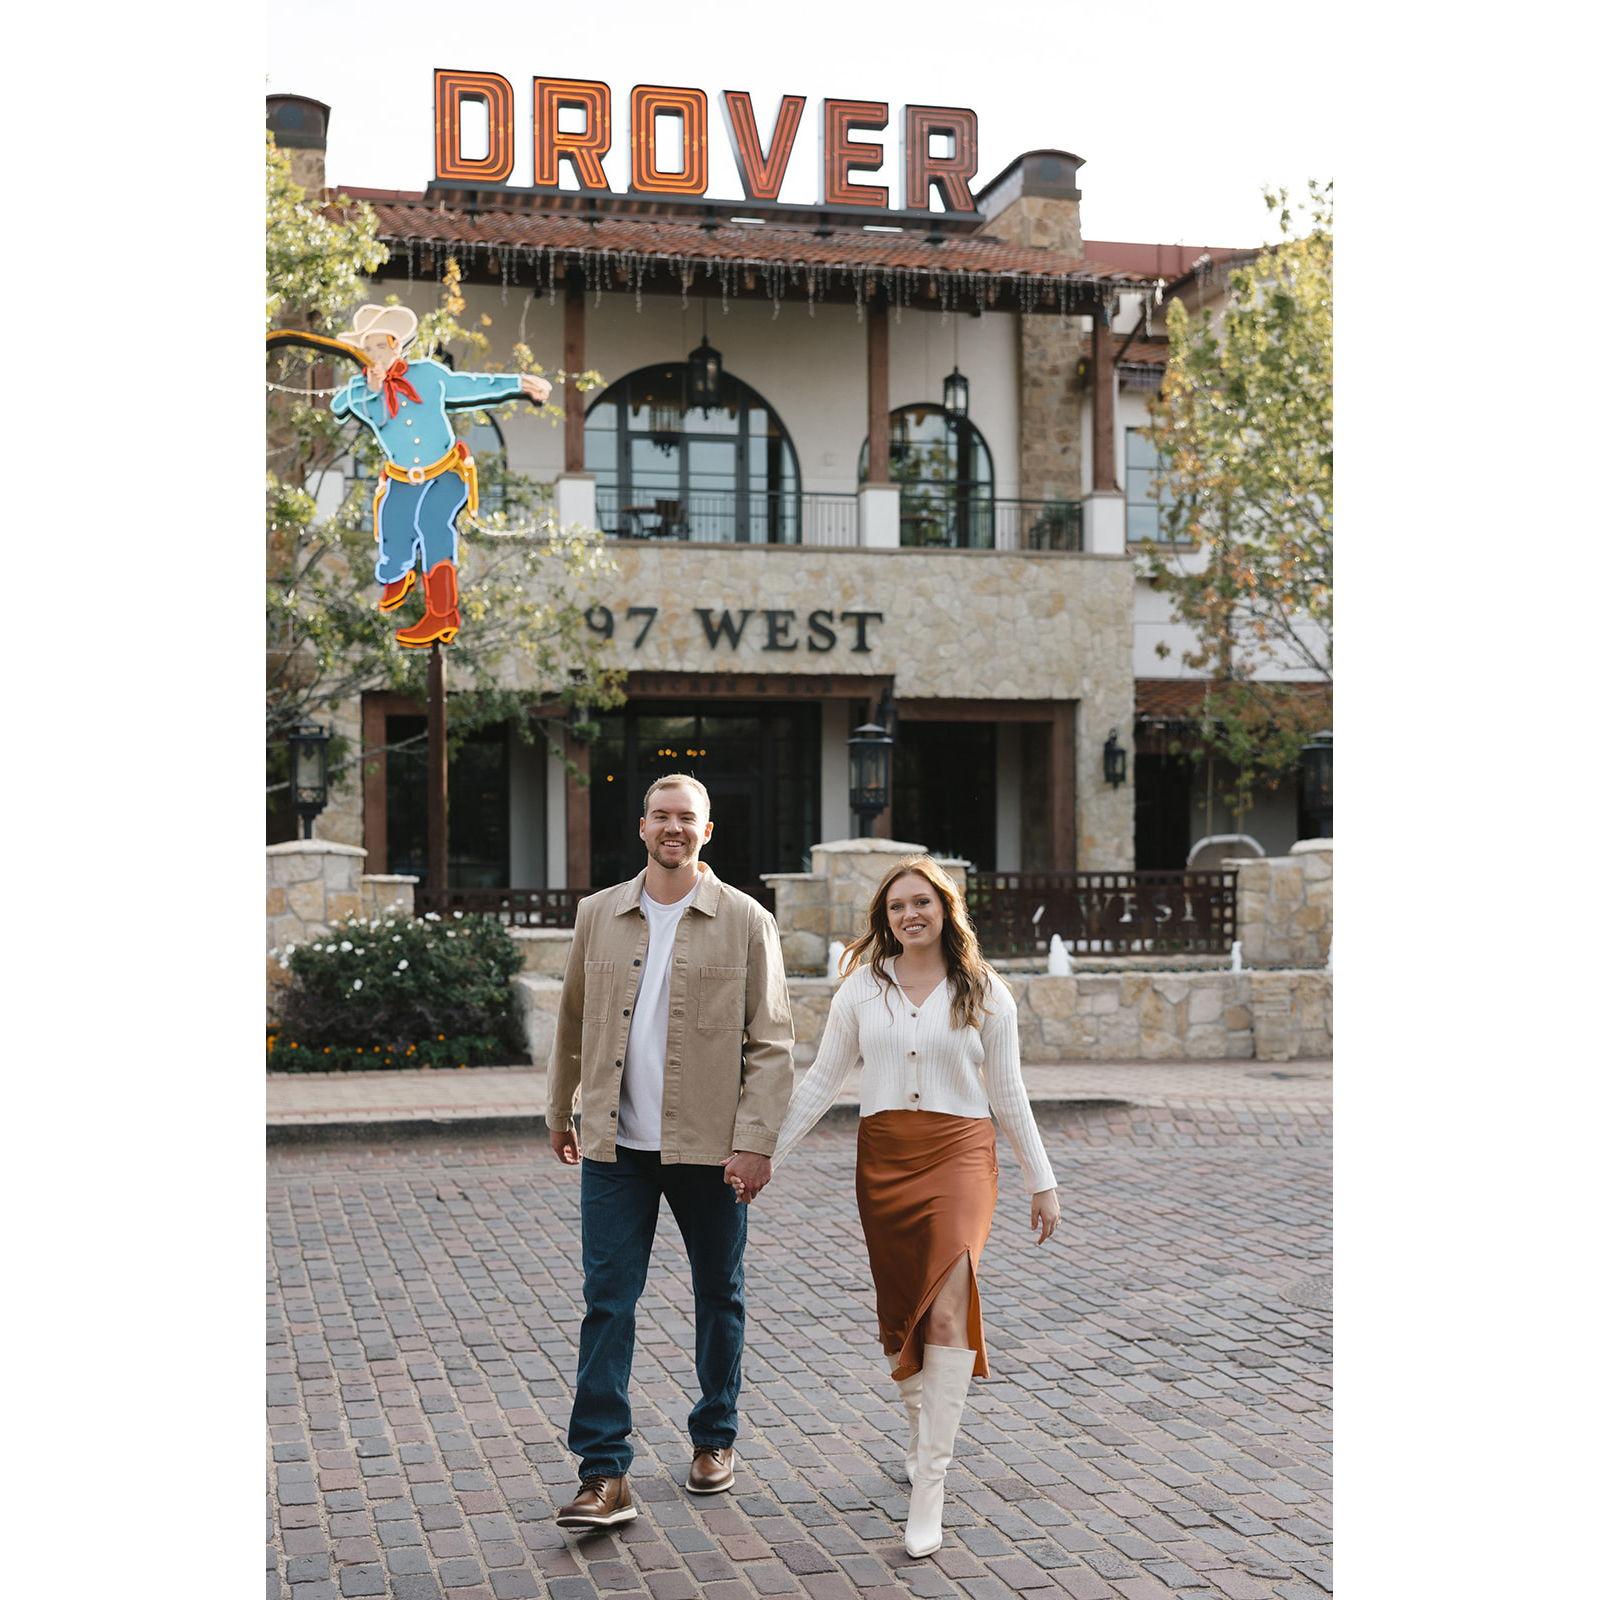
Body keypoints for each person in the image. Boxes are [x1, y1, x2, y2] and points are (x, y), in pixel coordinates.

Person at [752, 855, 1061, 1559]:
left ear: (945, 909)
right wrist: (768, 1155)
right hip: (885, 1159)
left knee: (949, 1305)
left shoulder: (985, 991)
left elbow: (1008, 1091)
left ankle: (930, 1485)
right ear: (884, 919)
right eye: (897, 907)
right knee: (902, 1315)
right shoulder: (861, 990)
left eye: (922, 902)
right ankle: (922, 1428)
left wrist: (1041, 1179)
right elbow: (823, 1080)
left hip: (961, 1155)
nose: (910, 914)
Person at [545, 775, 794, 1530]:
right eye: (662, 816)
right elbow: (572, 1019)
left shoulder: (746, 920)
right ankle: (603, 1472)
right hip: (615, 1146)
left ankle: (715, 1437)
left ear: (707, 831)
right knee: (607, 1302)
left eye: (687, 818)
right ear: (642, 826)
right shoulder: (598, 914)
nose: (673, 828)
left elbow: (772, 1043)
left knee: (719, 1293)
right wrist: (561, 1108)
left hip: (710, 1149)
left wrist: (755, 1144)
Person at [329, 303, 552, 647]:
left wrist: (519, 382)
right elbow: (350, 409)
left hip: (446, 471)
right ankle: (397, 577)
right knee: (393, 535)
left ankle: (441, 613)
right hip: (402, 477)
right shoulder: (362, 393)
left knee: (432, 523)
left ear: (396, 347)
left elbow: (470, 385)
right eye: (367, 348)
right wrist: (370, 391)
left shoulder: (428, 375)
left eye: (381, 345)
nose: (375, 354)